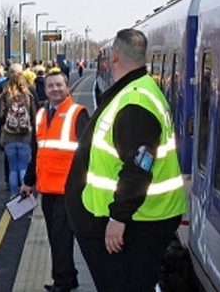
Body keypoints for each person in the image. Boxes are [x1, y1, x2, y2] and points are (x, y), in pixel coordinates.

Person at [65, 28, 187, 292]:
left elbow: (139, 166)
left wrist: (118, 219)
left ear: (116, 56)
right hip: (137, 219)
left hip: (137, 223)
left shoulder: (135, 102)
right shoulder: (140, 90)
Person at [21, 69, 89, 292]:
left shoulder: (78, 113)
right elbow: (36, 151)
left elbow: (87, 154)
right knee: (54, 237)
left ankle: (63, 283)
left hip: (68, 190)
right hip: (47, 189)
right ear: (45, 89)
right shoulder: (41, 114)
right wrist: (28, 182)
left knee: (61, 238)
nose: (55, 89)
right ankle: (69, 277)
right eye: (50, 86)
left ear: (67, 86)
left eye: (59, 85)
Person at [0, 72, 37, 197]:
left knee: (13, 168)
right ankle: (25, 192)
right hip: (26, 136)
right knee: (23, 166)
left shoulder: (6, 96)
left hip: (9, 136)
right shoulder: (28, 96)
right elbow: (34, 115)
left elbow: (0, 117)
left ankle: (13, 194)